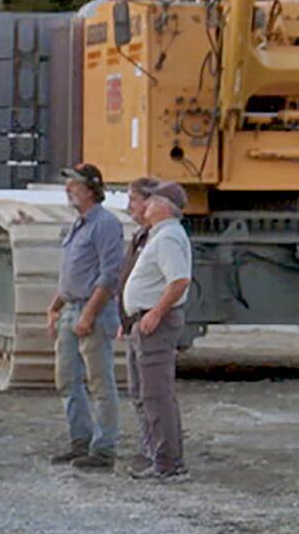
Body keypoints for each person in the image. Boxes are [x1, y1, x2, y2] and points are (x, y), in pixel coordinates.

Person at [44, 164, 127, 468]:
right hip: (71, 308)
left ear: (92, 189)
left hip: (92, 311)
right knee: (67, 379)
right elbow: (72, 273)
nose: (69, 189)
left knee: (99, 382)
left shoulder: (105, 224)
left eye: (75, 184)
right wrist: (55, 306)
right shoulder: (78, 224)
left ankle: (104, 450)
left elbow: (109, 274)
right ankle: (80, 441)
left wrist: (88, 315)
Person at [121, 182, 193, 481]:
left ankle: (168, 463)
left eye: (151, 202)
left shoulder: (167, 238)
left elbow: (179, 281)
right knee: (143, 392)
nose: (145, 206)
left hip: (155, 323)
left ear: (164, 206)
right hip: (143, 321)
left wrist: (155, 313)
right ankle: (156, 454)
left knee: (156, 394)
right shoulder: (158, 236)